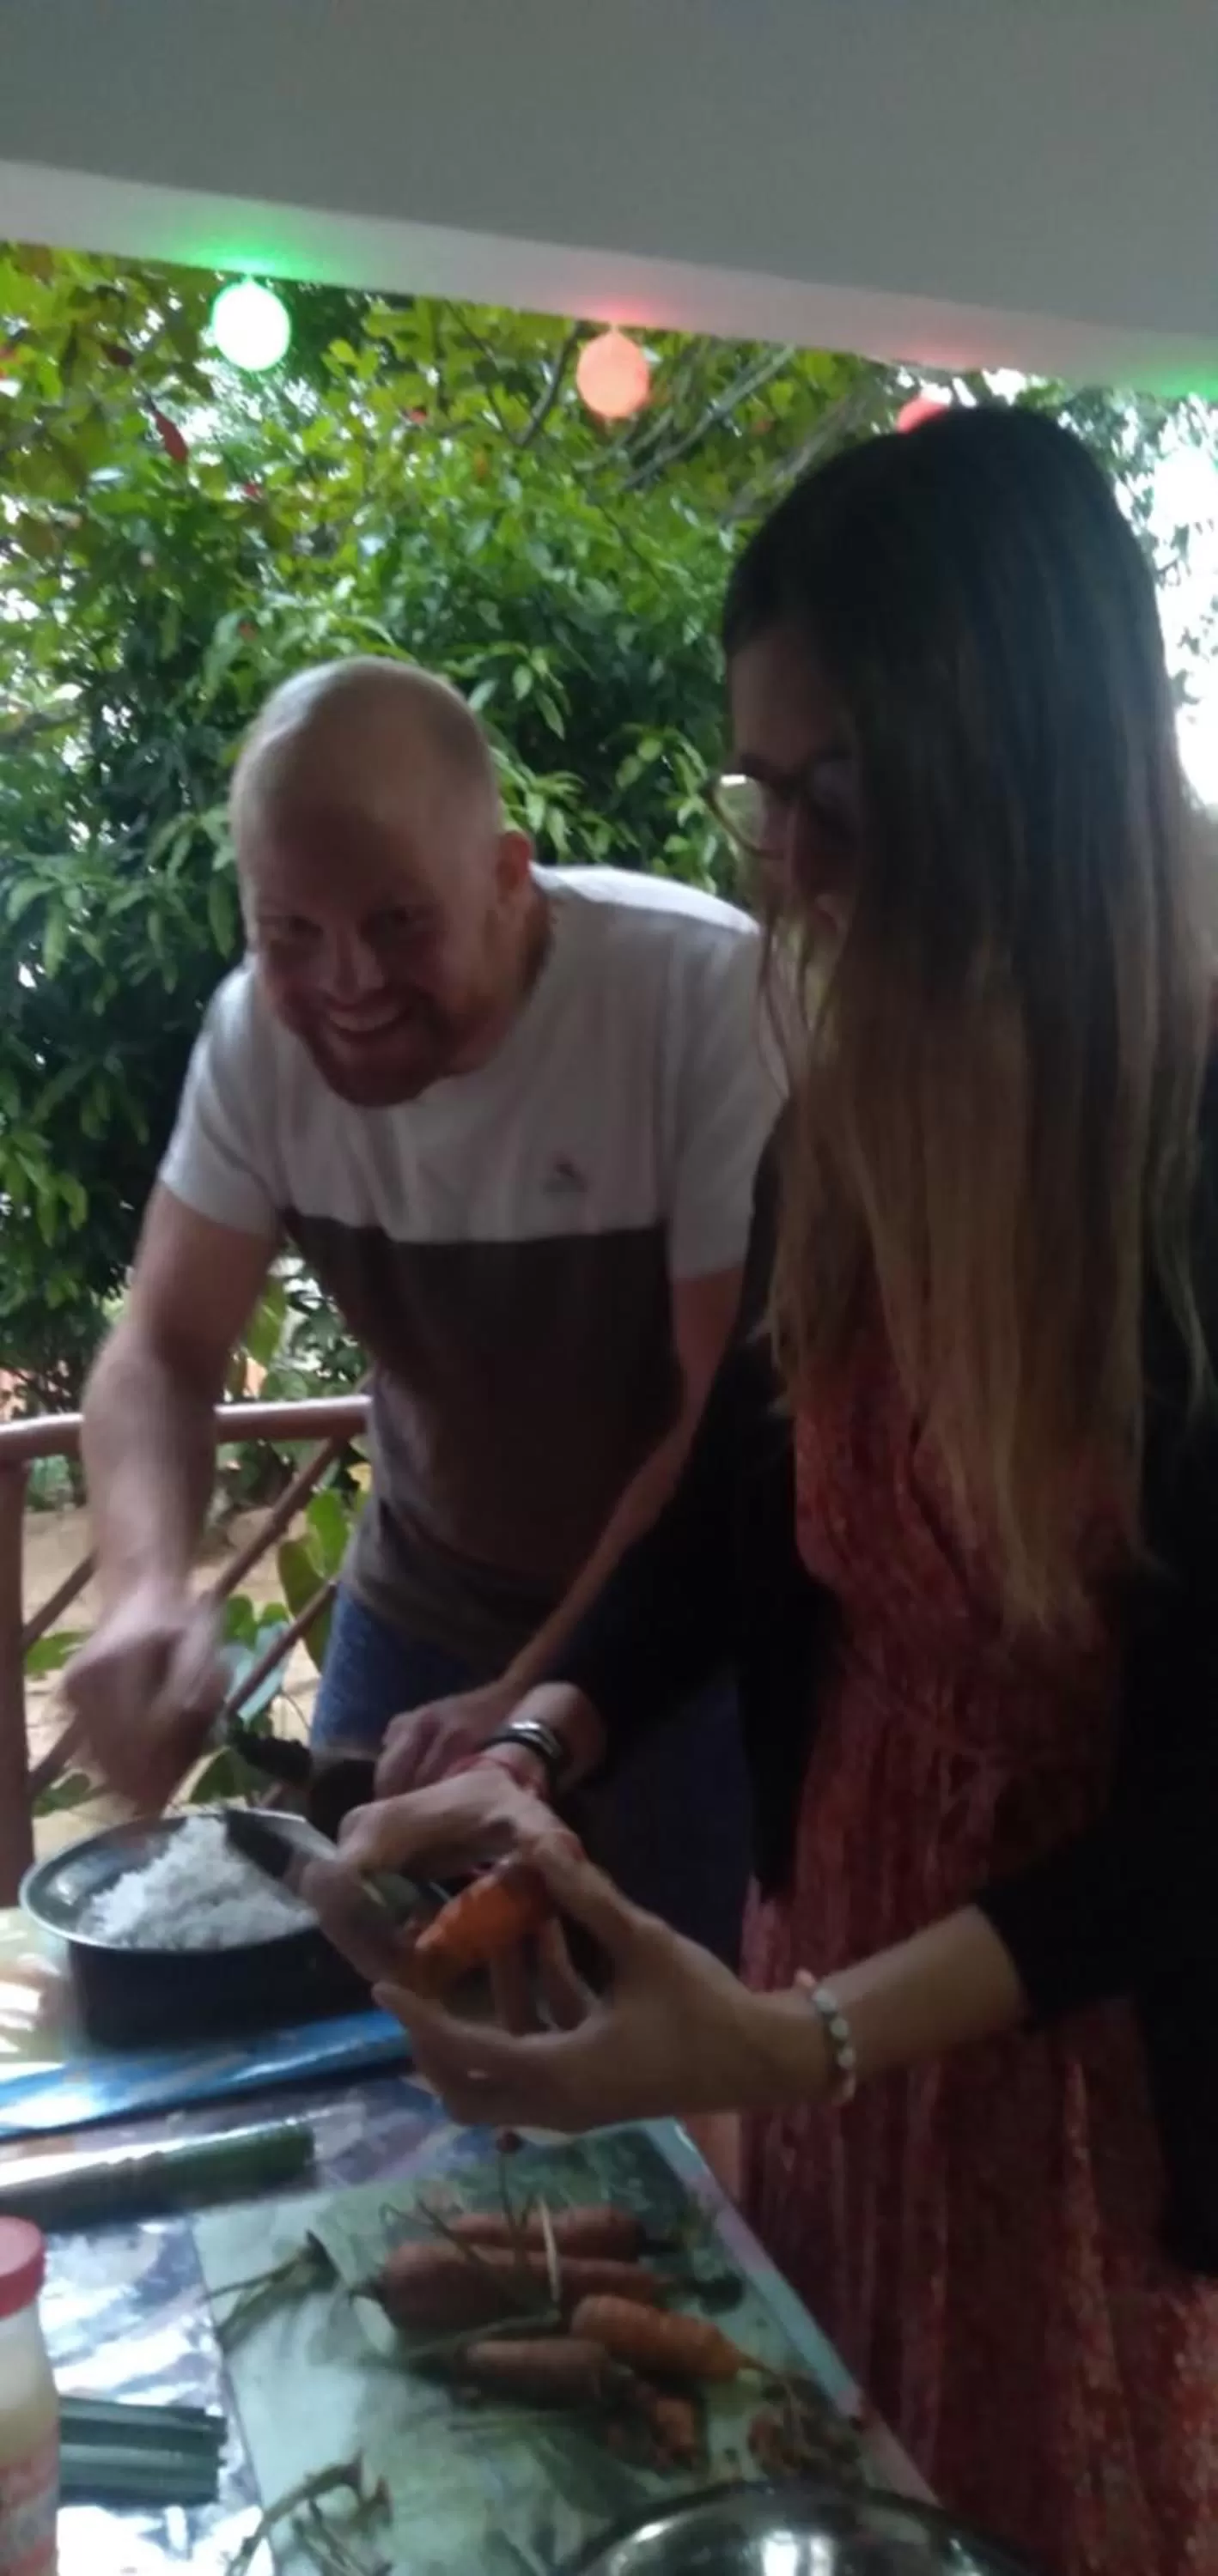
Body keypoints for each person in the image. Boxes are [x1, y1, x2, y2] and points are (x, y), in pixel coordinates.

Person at [328, 412, 1218, 2576]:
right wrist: (541, 1740)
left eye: (836, 796)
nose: (786, 865)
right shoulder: (857, 1111)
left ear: (1017, 768)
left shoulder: (1190, 1168)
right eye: (765, 794)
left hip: (1067, 2061)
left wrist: (803, 2035)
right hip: (825, 1959)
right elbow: (747, 1509)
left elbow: (1198, 1830)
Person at [67, 658, 781, 1958]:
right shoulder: (252, 1042)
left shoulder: (696, 996)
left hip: (682, 1621)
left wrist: (528, 1703)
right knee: (370, 1994)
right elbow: (161, 1350)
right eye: (289, 933)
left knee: (686, 2025)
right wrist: (143, 1592)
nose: (344, 984)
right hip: (423, 1596)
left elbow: (714, 1419)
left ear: (510, 878)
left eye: (398, 923)